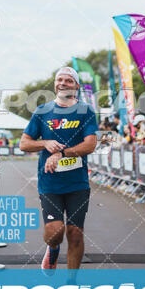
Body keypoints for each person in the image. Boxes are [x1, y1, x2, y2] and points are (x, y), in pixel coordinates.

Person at [20, 66, 97, 272]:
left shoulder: (85, 111)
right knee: (55, 232)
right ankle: (53, 249)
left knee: (75, 234)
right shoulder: (43, 111)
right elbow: (24, 144)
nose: (63, 83)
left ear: (77, 86)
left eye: (68, 81)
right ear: (55, 84)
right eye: (59, 80)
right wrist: (44, 143)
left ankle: (71, 283)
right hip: (50, 182)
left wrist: (62, 153)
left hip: (77, 183)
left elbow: (90, 145)